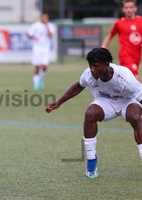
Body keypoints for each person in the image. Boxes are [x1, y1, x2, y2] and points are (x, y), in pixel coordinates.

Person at [46, 48, 142, 178]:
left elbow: (140, 96)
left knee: (136, 117)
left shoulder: (125, 76)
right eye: (90, 65)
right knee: (90, 114)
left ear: (106, 64)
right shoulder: (89, 74)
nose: (92, 69)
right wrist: (59, 102)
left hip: (126, 101)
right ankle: (91, 162)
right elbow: (79, 86)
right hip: (105, 101)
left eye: (96, 66)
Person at [102, 0, 142, 82]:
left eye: (131, 7)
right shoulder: (119, 23)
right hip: (125, 55)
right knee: (135, 77)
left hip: (137, 56)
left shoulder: (140, 21)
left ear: (135, 8)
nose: (129, 10)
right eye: (126, 8)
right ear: (123, 9)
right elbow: (110, 36)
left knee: (128, 80)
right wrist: (103, 47)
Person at [27, 12, 55, 90]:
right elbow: (29, 35)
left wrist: (46, 26)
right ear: (41, 18)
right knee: (37, 66)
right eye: (43, 18)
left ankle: (39, 79)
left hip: (46, 49)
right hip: (37, 48)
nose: (44, 19)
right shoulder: (35, 25)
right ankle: (36, 84)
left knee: (45, 66)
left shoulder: (50, 26)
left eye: (46, 18)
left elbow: (51, 35)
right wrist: (33, 37)